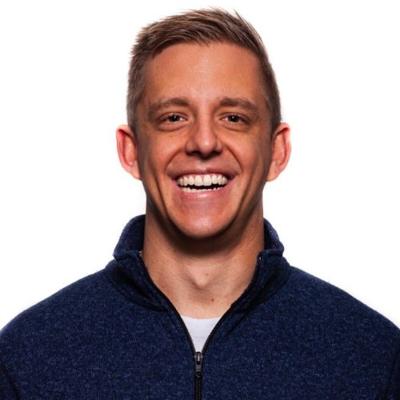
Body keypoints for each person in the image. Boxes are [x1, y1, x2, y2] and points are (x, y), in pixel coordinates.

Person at [0, 8, 399, 399]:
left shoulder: (376, 360)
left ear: (277, 152)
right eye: (174, 118)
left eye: (234, 118)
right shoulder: (25, 359)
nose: (204, 142)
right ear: (131, 151)